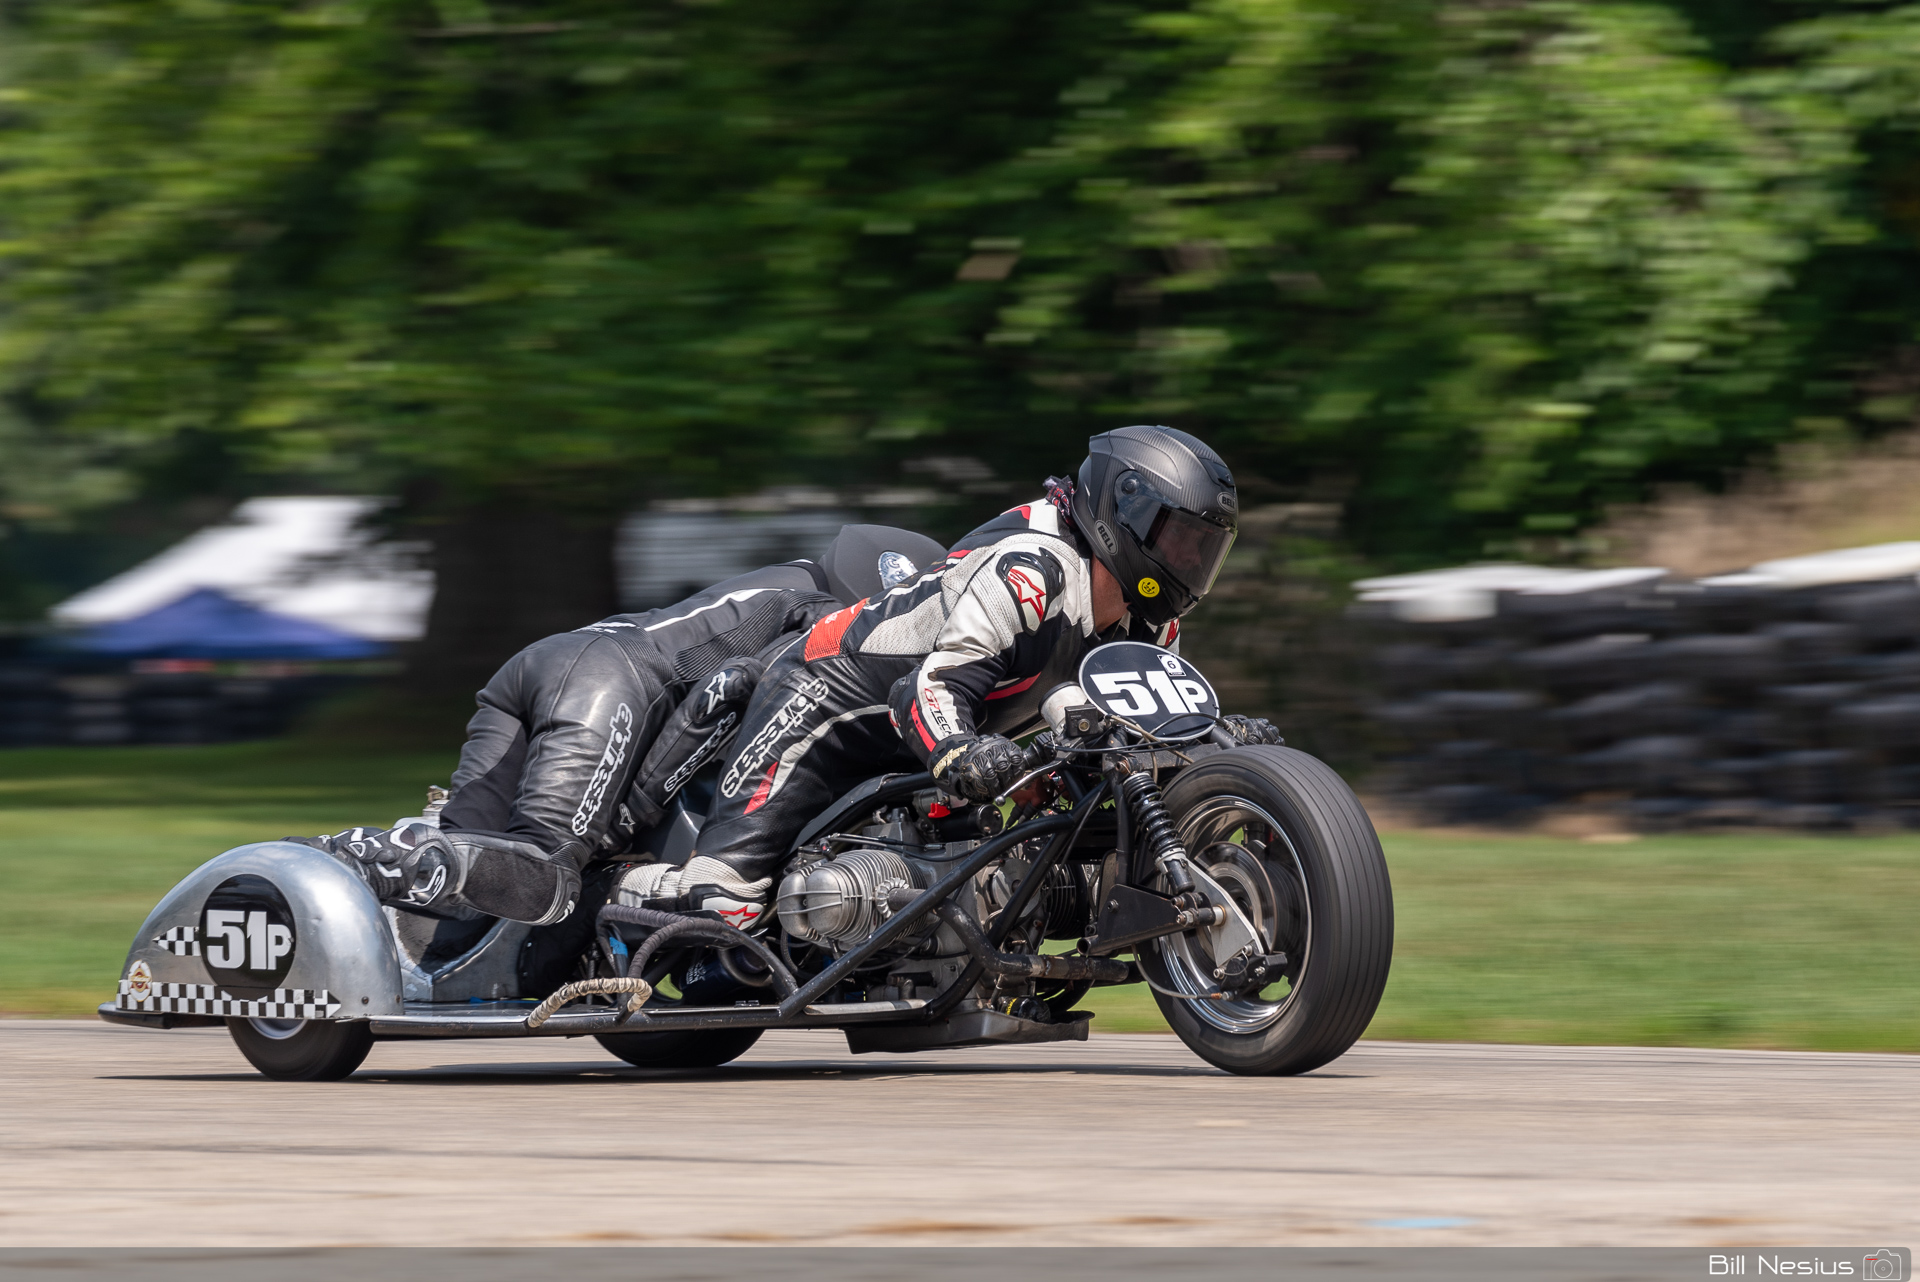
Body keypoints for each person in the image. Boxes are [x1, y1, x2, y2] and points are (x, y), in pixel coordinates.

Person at [615, 425, 1281, 929]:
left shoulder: (1150, 625)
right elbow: (926, 693)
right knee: (725, 902)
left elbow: (1132, 735)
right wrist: (960, 750)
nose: (1190, 563)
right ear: (1122, 513)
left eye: (1204, 549)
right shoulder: (1032, 570)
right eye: (1178, 541)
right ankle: (618, 891)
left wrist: (1212, 741)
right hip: (827, 694)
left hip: (934, 729)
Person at [289, 524, 946, 925]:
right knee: (545, 873)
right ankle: (347, 861)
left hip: (558, 661)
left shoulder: (791, 582)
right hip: (608, 681)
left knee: (472, 883)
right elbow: (727, 690)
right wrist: (627, 817)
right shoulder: (826, 618)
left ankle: (331, 869)